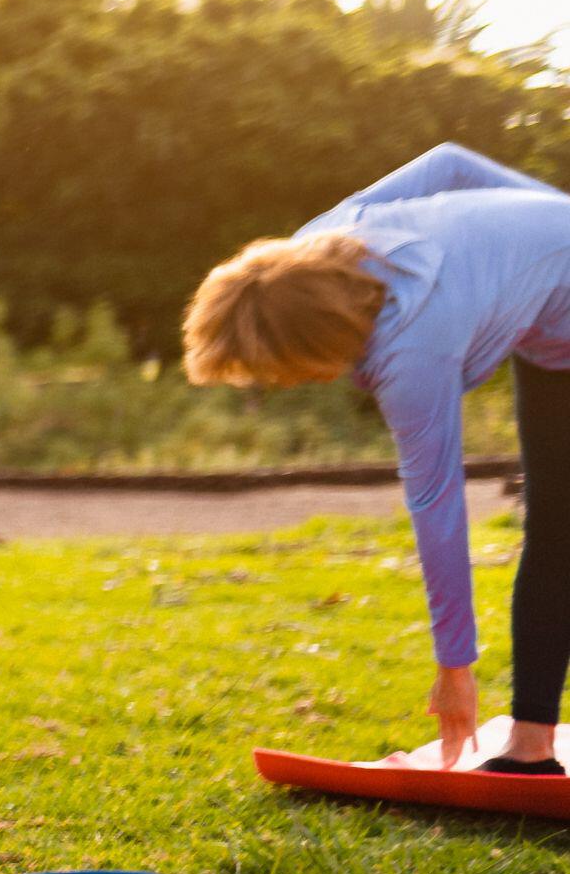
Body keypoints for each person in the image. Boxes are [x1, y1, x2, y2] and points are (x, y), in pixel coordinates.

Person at [185, 143, 570, 771]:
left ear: (313, 342)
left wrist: (455, 669)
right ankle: (531, 746)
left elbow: (437, 505)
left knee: (561, 528)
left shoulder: (412, 350)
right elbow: (449, 163)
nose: (279, 383)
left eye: (275, 370)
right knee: (556, 529)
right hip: (553, 334)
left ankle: (529, 738)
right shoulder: (320, 243)